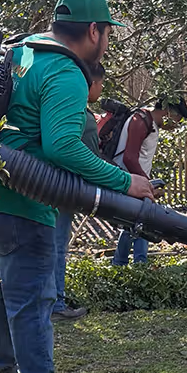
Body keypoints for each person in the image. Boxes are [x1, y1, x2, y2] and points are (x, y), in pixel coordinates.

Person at [0, 0, 154, 373]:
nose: (107, 40)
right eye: (107, 32)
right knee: (34, 302)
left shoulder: (20, 52)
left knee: (1, 290)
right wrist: (127, 182)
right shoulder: (67, 72)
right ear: (93, 31)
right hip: (25, 204)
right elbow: (64, 146)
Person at [50, 64, 106, 321]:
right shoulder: (84, 119)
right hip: (65, 193)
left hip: (44, 190)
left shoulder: (55, 109)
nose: (102, 88)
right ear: (88, 84)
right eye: (100, 83)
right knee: (57, 248)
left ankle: (49, 300)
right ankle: (56, 303)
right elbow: (93, 162)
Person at [111, 96, 187, 266]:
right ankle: (133, 264)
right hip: (128, 180)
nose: (174, 126)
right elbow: (129, 158)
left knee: (134, 224)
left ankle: (124, 264)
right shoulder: (140, 121)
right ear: (167, 111)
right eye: (175, 121)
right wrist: (147, 185)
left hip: (137, 181)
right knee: (140, 222)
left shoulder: (151, 124)